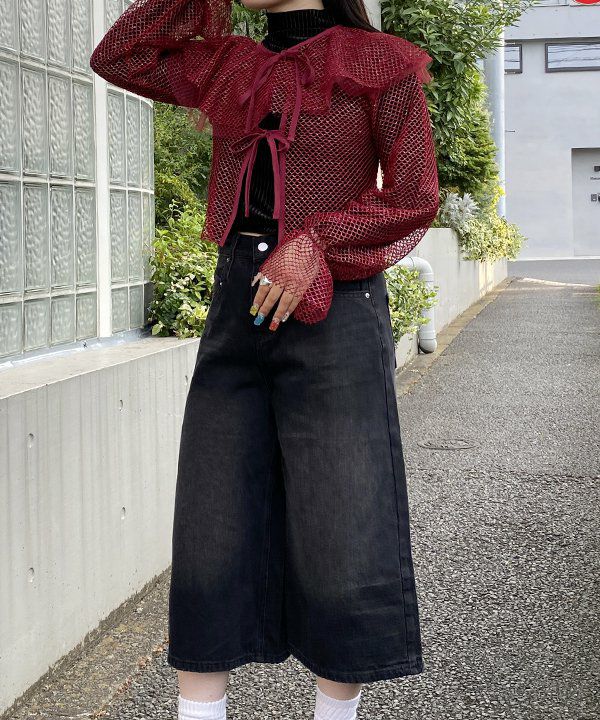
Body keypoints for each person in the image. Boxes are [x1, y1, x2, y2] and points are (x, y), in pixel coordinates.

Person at [90, 0, 439, 718]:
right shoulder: (231, 64)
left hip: (335, 308)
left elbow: (414, 195)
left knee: (345, 515)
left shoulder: (382, 63)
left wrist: (317, 242)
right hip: (238, 303)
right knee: (211, 517)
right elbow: (118, 55)